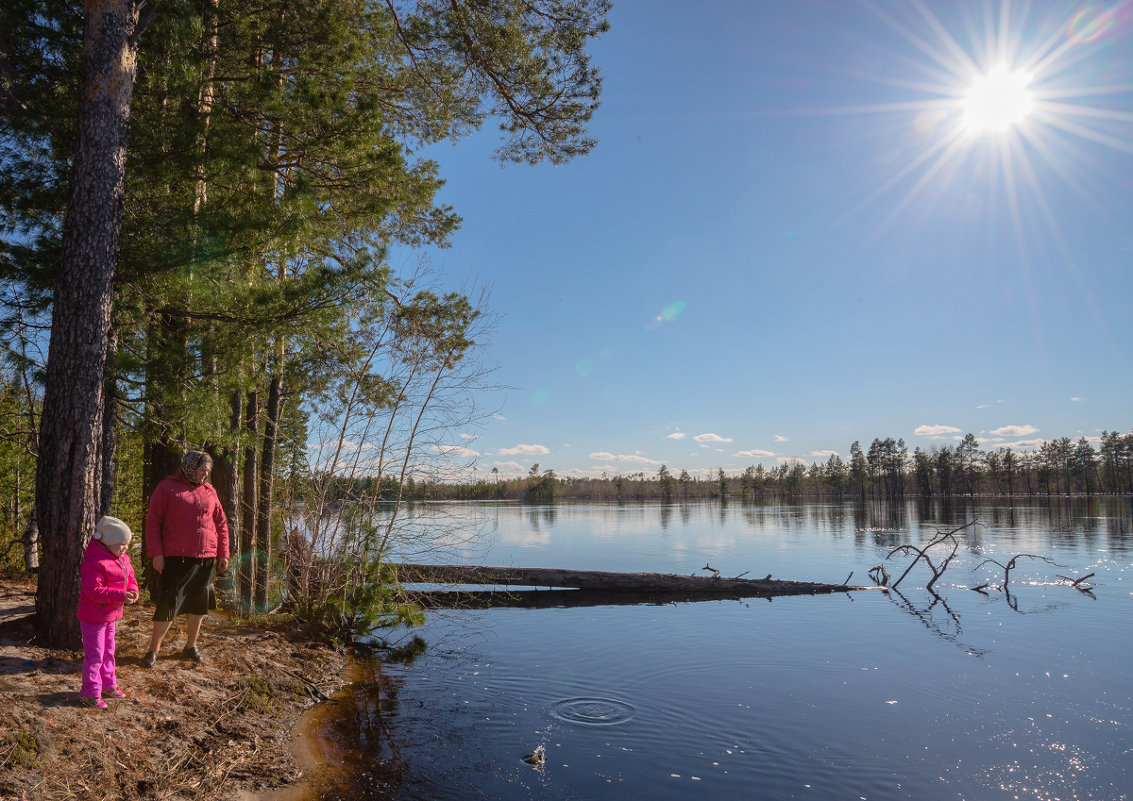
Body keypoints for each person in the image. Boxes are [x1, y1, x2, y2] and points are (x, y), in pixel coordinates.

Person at [141, 450, 230, 667]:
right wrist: (156, 554)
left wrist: (223, 553)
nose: (205, 475)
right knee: (169, 603)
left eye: (207, 471)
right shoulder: (167, 488)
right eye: (202, 470)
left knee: (199, 605)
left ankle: (191, 647)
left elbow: (221, 523)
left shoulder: (210, 491)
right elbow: (153, 522)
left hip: (205, 557)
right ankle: (153, 650)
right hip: (176, 557)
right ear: (190, 467)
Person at [77, 515, 140, 708]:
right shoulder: (95, 562)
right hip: (93, 617)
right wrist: (121, 595)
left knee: (109, 651)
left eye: (127, 544)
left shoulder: (122, 558)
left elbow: (130, 576)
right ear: (108, 542)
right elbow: (92, 591)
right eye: (121, 544)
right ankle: (90, 692)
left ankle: (108, 684)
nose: (125, 548)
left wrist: (133, 590)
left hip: (110, 616)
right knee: (95, 654)